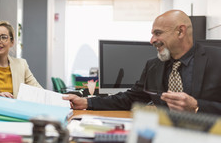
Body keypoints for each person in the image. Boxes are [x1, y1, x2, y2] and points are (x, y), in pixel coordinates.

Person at [63, 10, 221, 115]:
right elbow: (131, 98)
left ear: (180, 31)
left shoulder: (217, 60)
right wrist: (86, 102)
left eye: (158, 33)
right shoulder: (153, 66)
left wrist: (196, 106)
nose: (152, 40)